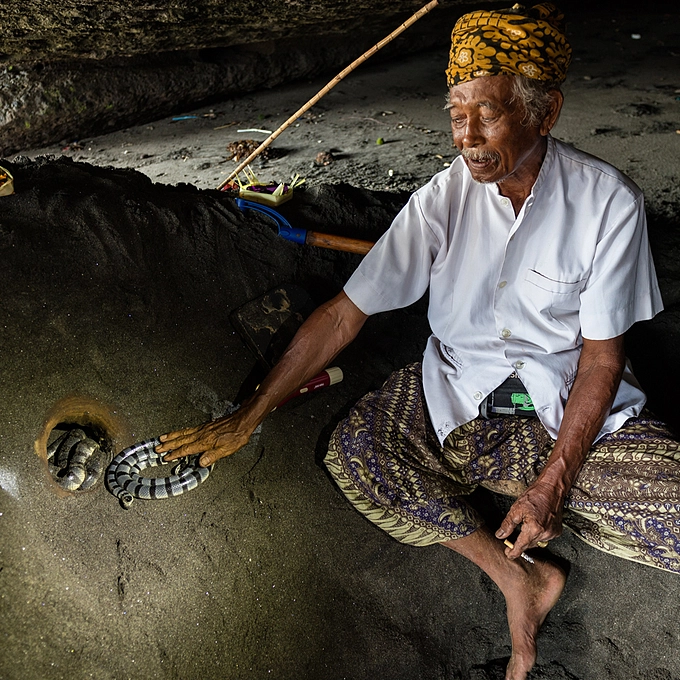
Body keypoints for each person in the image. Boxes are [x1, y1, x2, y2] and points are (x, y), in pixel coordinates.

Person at [157, 4, 680, 678]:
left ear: (545, 112)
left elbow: (602, 359)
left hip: (566, 413)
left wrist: (553, 484)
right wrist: (247, 416)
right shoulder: (444, 196)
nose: (468, 137)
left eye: (487, 113)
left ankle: (557, 502)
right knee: (358, 454)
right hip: (460, 401)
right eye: (457, 116)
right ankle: (519, 578)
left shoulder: (608, 202)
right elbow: (345, 314)